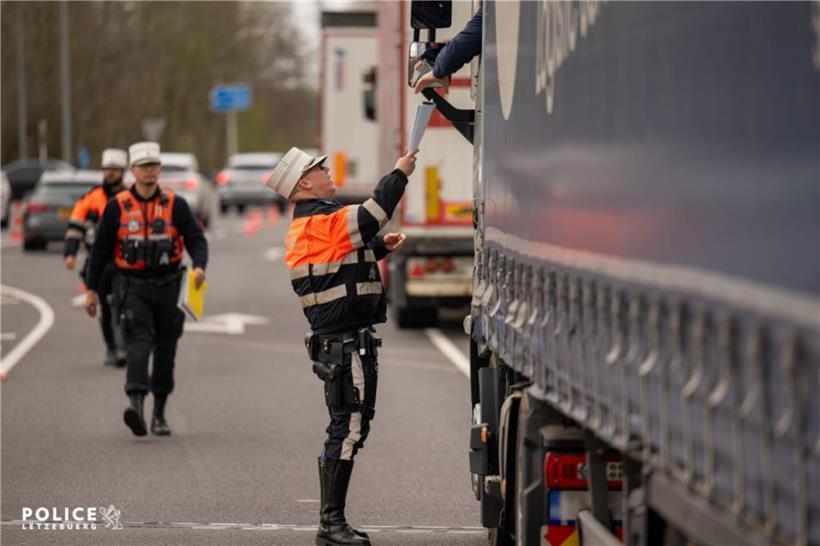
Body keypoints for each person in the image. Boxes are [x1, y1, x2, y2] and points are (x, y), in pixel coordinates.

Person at [267, 146, 418, 546]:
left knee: (349, 427)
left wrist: (381, 247)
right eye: (320, 169)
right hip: (344, 344)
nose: (327, 172)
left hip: (346, 342)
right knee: (347, 429)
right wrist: (399, 173)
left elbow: (337, 260)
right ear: (304, 184)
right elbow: (372, 213)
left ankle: (332, 523)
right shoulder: (318, 221)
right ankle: (330, 525)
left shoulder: (318, 224)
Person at [84, 142, 208, 437]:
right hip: (133, 285)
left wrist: (200, 265)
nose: (149, 172)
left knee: (166, 350)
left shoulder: (175, 204)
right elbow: (100, 252)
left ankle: (159, 413)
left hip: (169, 286)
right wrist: (91, 290)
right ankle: (136, 406)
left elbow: (197, 239)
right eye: (144, 167)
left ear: (159, 169)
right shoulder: (117, 207)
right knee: (137, 344)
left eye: (154, 166)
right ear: (133, 171)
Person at [65, 149, 129, 367]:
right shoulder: (91, 198)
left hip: (123, 259)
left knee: (122, 302)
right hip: (97, 260)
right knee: (104, 306)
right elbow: (75, 226)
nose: (110, 173)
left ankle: (123, 348)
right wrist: (70, 254)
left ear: (123, 171)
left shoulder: (129, 198)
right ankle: (111, 348)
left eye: (114, 169)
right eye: (107, 169)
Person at [414, 6, 483, 94]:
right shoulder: (428, 53)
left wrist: (437, 73)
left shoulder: (489, 10)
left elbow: (468, 41)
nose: (433, 43)